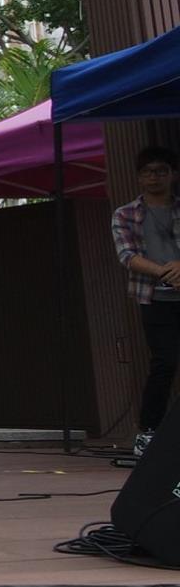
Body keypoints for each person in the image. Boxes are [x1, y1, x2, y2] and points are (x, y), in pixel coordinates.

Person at [112, 143, 180, 460]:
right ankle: (148, 432)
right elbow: (127, 255)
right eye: (148, 172)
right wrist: (165, 272)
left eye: (161, 171)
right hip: (154, 298)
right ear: (139, 177)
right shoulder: (125, 214)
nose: (154, 177)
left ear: (173, 174)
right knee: (164, 362)